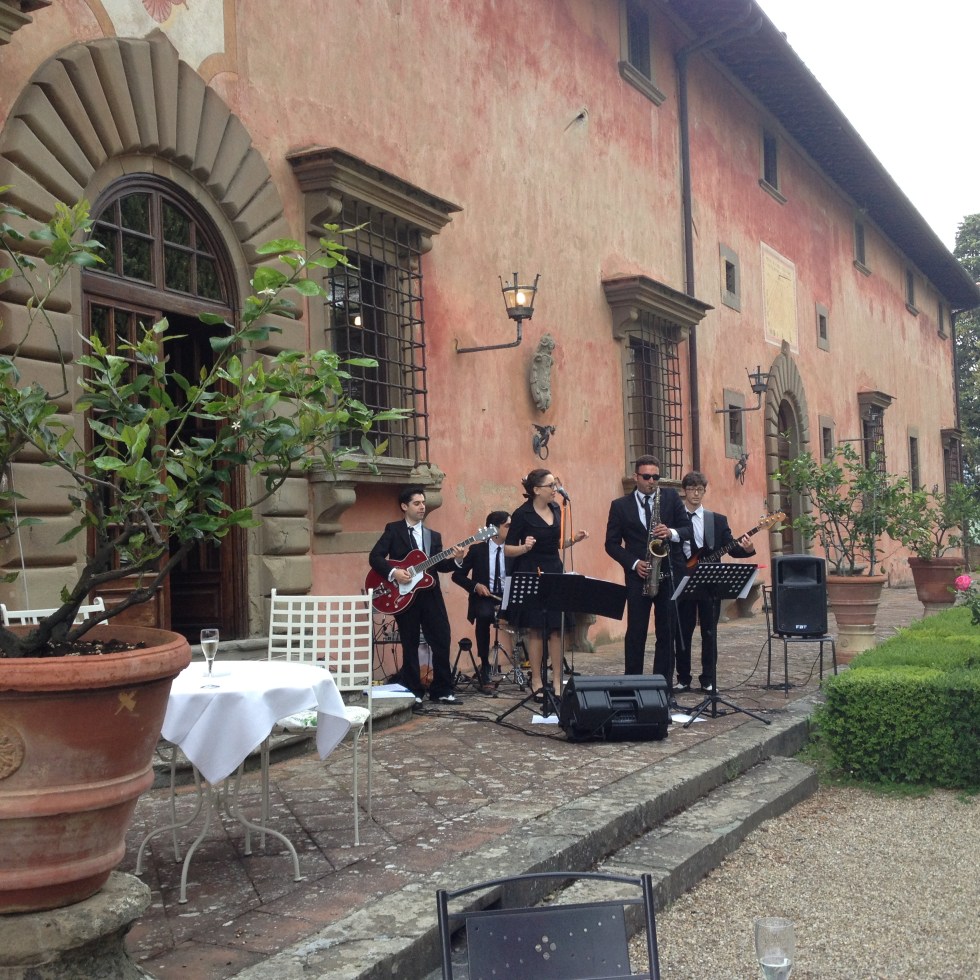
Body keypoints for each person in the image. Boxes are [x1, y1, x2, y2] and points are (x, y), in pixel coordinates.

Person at [368, 485, 468, 706]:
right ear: (404, 506)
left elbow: (440, 566)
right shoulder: (394, 530)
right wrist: (394, 573)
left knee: (442, 638)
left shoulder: (433, 536)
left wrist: (458, 559)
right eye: (417, 503)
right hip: (403, 595)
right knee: (409, 641)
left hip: (430, 594)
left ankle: (442, 689)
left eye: (423, 502)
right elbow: (375, 557)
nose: (422, 506)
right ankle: (413, 690)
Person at [604, 455, 692, 679]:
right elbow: (611, 544)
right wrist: (634, 563)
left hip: (668, 573)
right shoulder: (620, 505)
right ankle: (633, 683)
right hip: (639, 576)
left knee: (667, 632)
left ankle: (662, 685)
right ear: (636, 477)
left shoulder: (670, 497)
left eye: (655, 477)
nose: (651, 481)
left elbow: (687, 529)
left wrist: (670, 532)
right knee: (636, 632)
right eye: (646, 477)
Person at [504, 469, 588, 699]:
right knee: (536, 629)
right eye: (551, 485)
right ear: (536, 490)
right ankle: (537, 680)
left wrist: (573, 540)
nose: (555, 489)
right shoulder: (522, 514)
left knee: (556, 628)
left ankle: (558, 681)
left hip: (554, 568)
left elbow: (557, 543)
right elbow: (508, 549)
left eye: (555, 485)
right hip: (531, 569)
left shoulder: (556, 509)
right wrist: (524, 548)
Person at [675, 470, 756, 692]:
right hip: (683, 582)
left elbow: (731, 548)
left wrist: (747, 548)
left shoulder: (717, 520)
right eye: (691, 489)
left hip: (710, 583)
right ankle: (683, 678)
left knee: (710, 632)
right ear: (684, 491)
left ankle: (708, 680)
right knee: (683, 632)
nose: (695, 493)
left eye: (699, 489)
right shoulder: (674, 518)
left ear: (704, 491)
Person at [452, 510, 512, 693]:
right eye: (507, 526)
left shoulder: (513, 550)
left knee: (530, 614)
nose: (511, 529)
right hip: (484, 596)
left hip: (507, 596)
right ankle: (485, 664)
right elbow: (457, 576)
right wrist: (475, 585)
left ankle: (527, 665)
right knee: (484, 615)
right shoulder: (478, 550)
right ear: (494, 529)